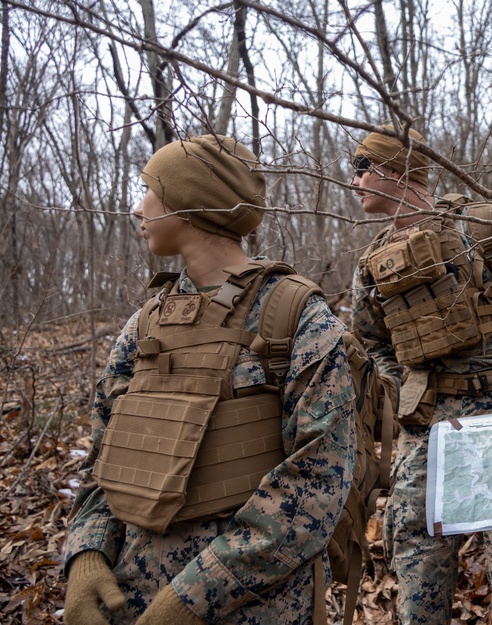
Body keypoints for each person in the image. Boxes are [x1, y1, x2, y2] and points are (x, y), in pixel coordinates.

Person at [62, 135, 356, 624]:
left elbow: (319, 481)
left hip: (255, 604)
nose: (137, 208)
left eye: (149, 190)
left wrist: (193, 598)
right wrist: (87, 557)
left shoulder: (293, 315)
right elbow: (103, 458)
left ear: (188, 204)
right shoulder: (145, 324)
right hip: (131, 596)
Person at [348, 126, 492, 625]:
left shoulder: (484, 225)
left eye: (363, 167)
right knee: (415, 572)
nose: (354, 180)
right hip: (428, 430)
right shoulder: (372, 264)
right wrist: (400, 388)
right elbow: (370, 342)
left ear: (398, 170)